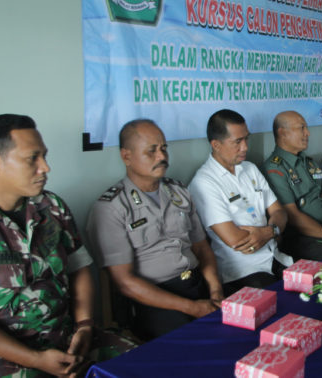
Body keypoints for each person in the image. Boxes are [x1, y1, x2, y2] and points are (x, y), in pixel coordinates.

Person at [0, 114, 133, 377]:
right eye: (32, 158)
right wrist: (36, 359)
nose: (45, 167)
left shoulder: (52, 208)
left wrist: (85, 326)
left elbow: (79, 270)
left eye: (44, 156)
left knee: (145, 363)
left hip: (65, 338)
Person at [85, 119, 224, 340]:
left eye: (163, 148)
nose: (161, 156)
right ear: (126, 156)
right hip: (154, 300)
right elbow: (125, 282)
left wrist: (216, 290)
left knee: (239, 332)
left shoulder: (178, 192)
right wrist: (192, 308)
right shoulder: (111, 208)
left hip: (197, 285)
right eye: (151, 151)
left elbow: (201, 247)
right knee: (195, 346)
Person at [189, 109, 292, 296]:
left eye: (246, 139)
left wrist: (270, 231)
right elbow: (236, 240)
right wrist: (273, 231)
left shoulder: (250, 168)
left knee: (316, 289)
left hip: (275, 257)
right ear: (216, 145)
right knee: (284, 304)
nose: (245, 147)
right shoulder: (204, 183)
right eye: (237, 142)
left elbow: (279, 212)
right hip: (244, 271)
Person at [262, 111, 322, 261]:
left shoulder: (309, 163)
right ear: (282, 133)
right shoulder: (274, 169)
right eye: (301, 128)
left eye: (306, 128)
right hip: (302, 236)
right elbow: (291, 215)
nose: (307, 133)